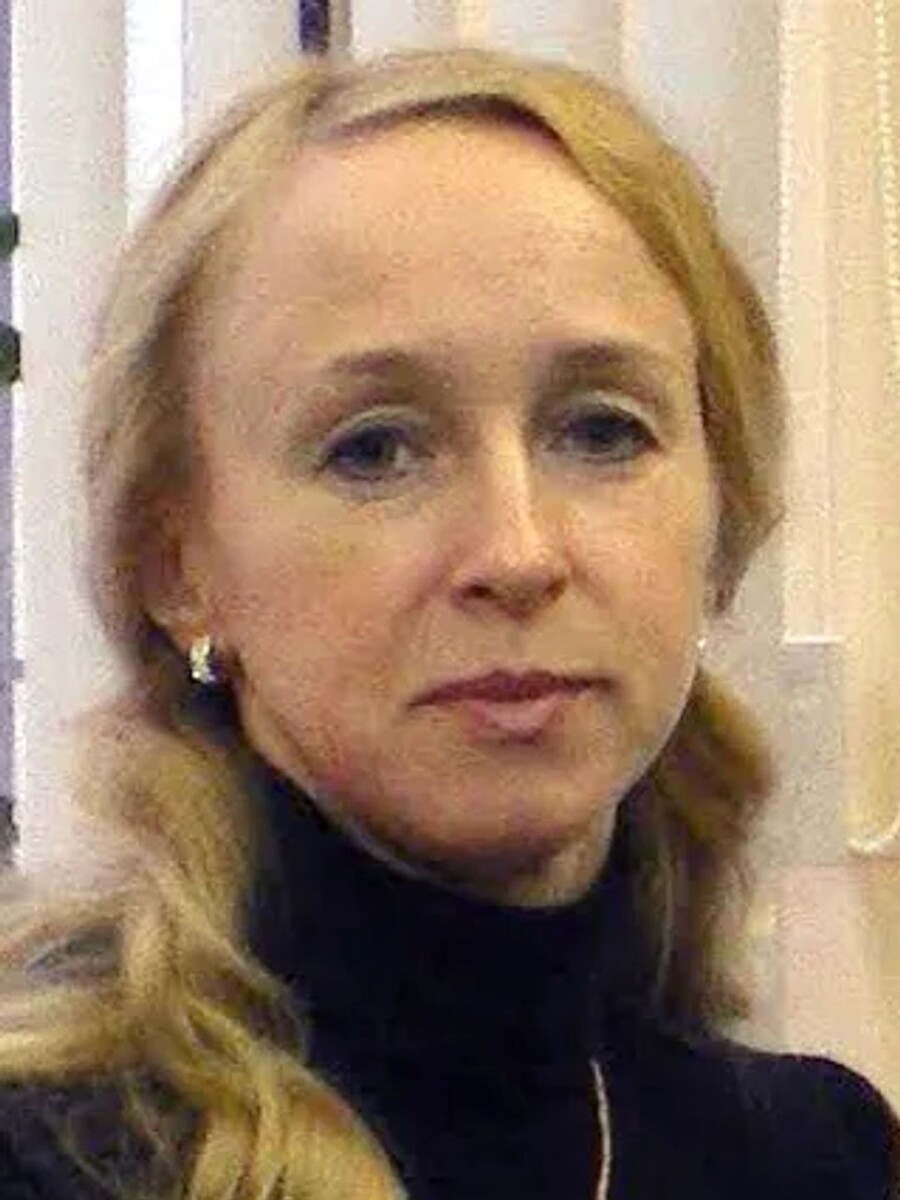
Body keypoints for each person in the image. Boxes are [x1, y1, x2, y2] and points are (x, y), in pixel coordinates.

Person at [0, 45, 894, 1200]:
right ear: (179, 568)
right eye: (375, 449)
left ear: (724, 507)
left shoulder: (813, 1157)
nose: (517, 553)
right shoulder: (48, 1152)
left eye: (602, 431)